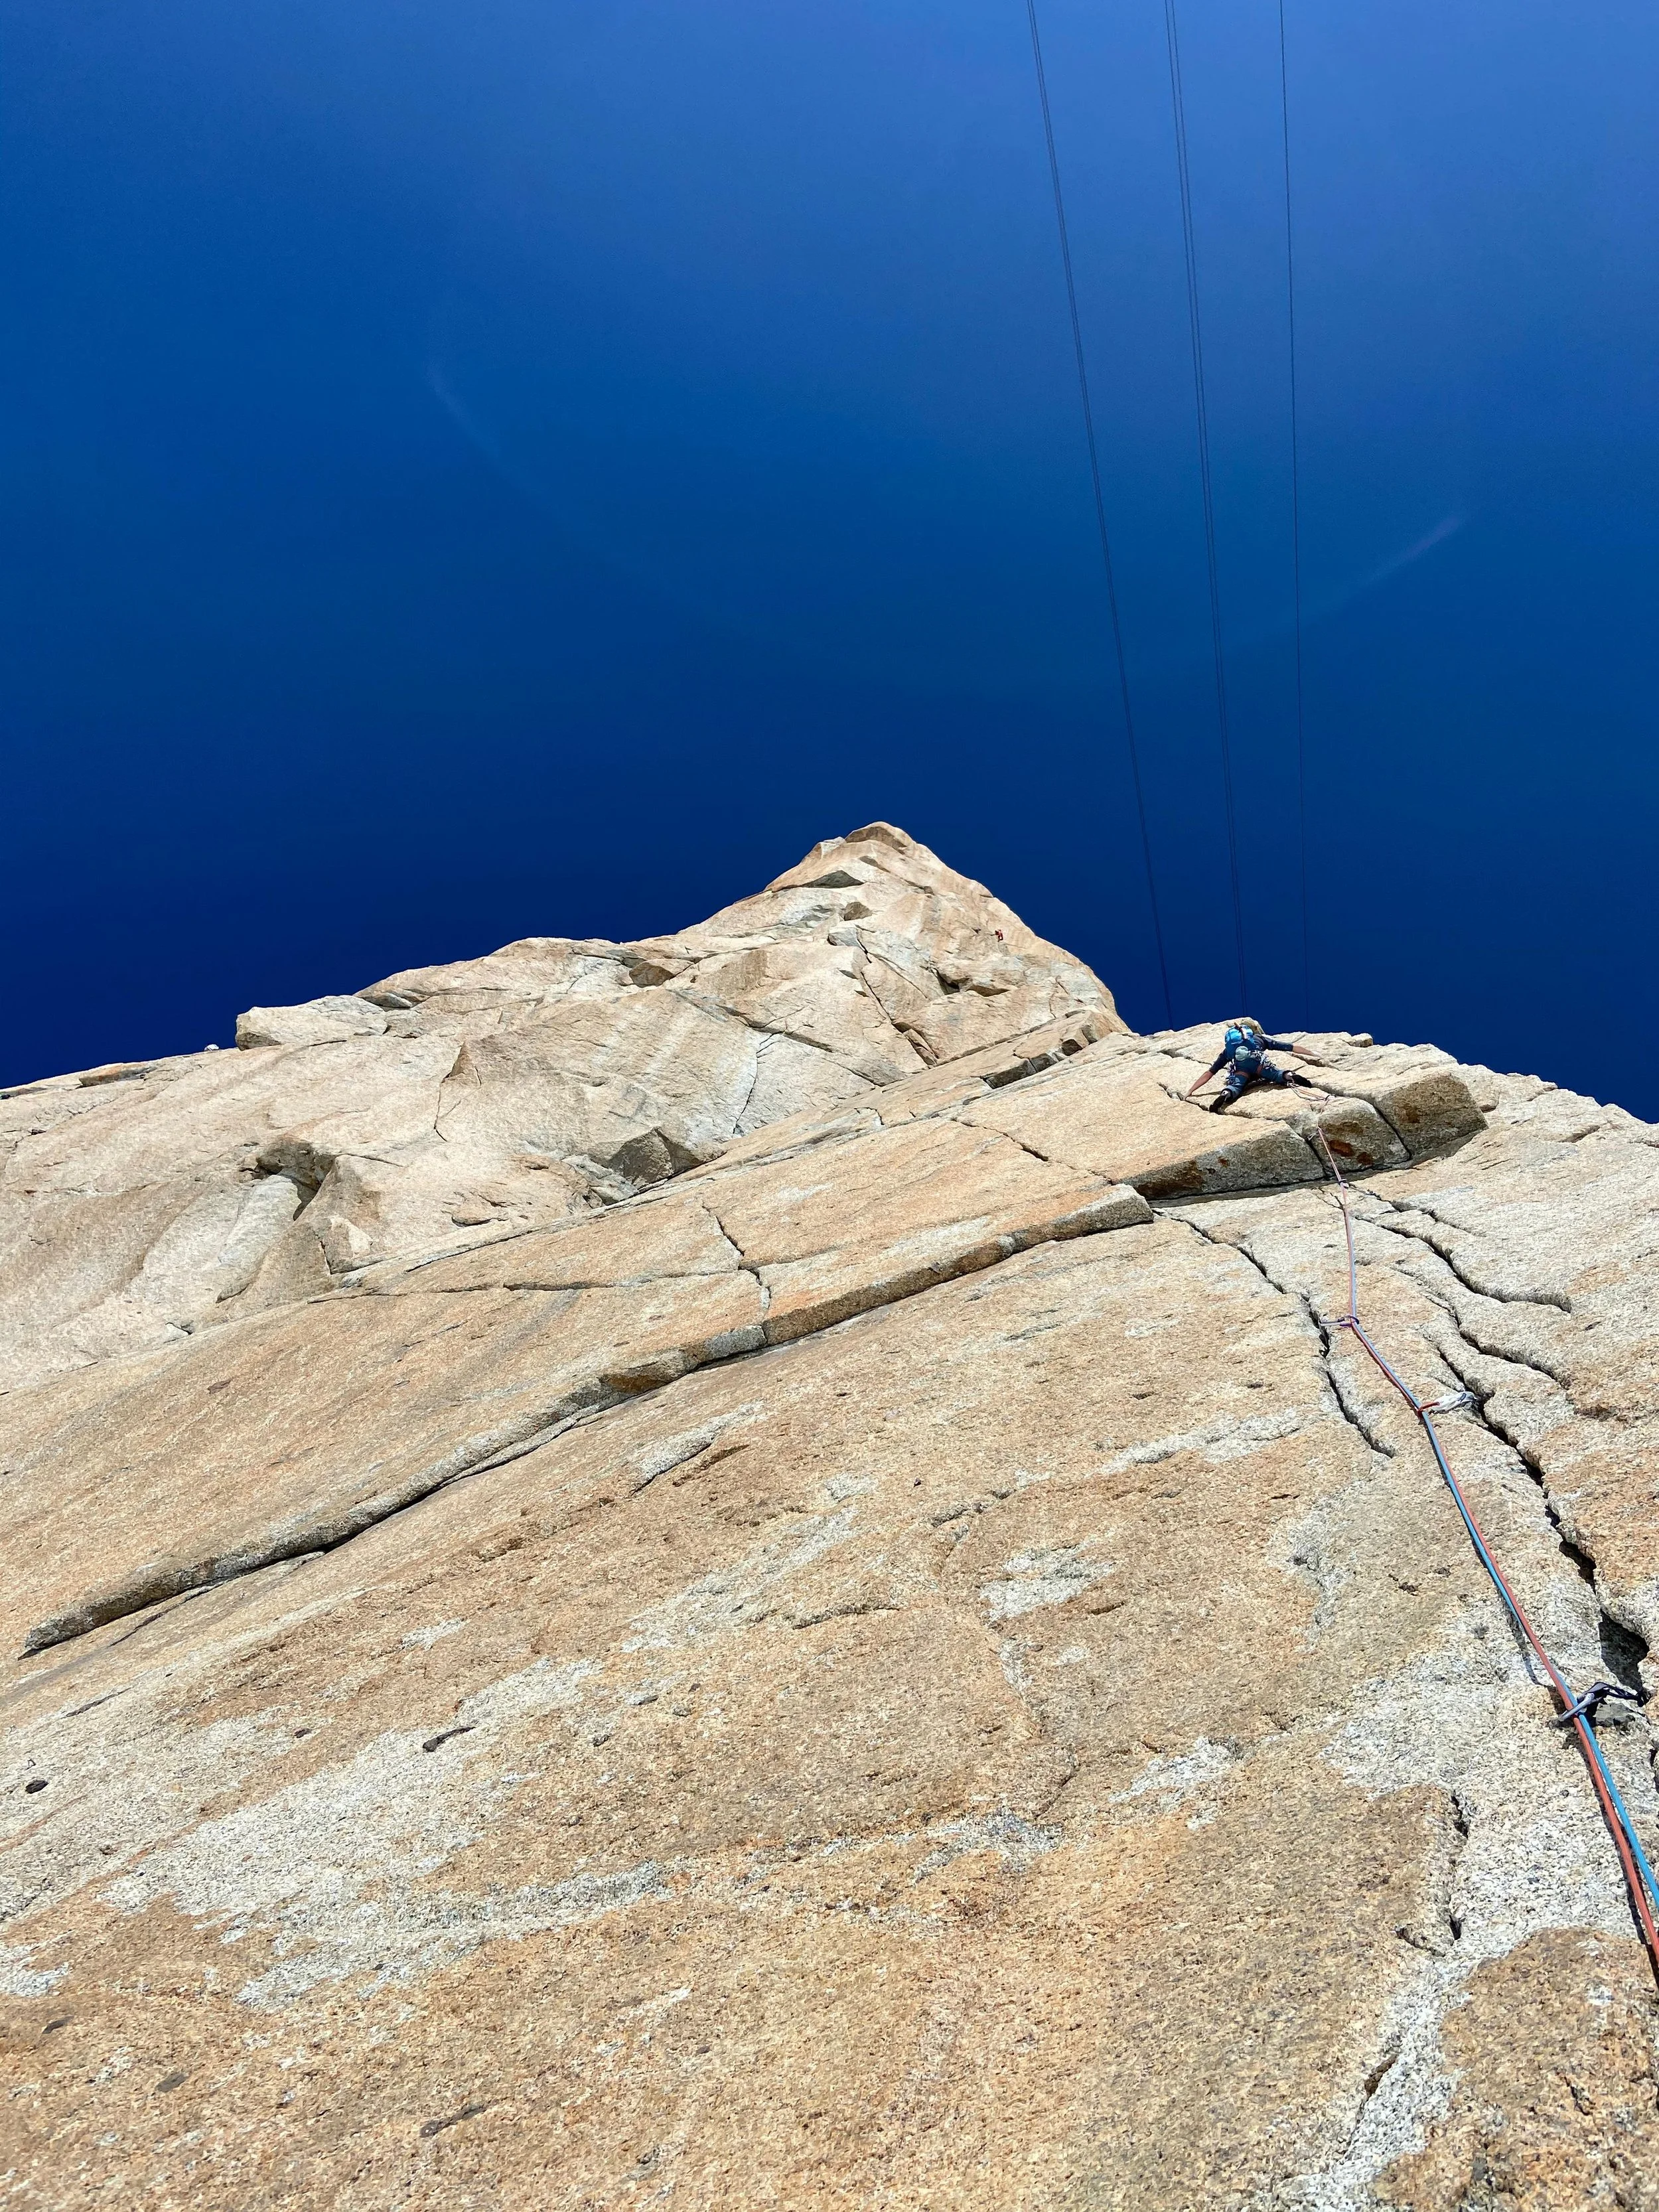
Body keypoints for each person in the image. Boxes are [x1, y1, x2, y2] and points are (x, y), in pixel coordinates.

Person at [1186, 1019, 1323, 1113]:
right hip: (1260, 1064)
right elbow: (1288, 1047)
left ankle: (1226, 1094)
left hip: (1242, 1069)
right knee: (1275, 1074)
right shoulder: (1259, 1039)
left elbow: (1210, 1073)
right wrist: (1311, 1053)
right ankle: (1289, 1076)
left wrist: (1190, 1091)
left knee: (1237, 1085)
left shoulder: (1229, 1051)